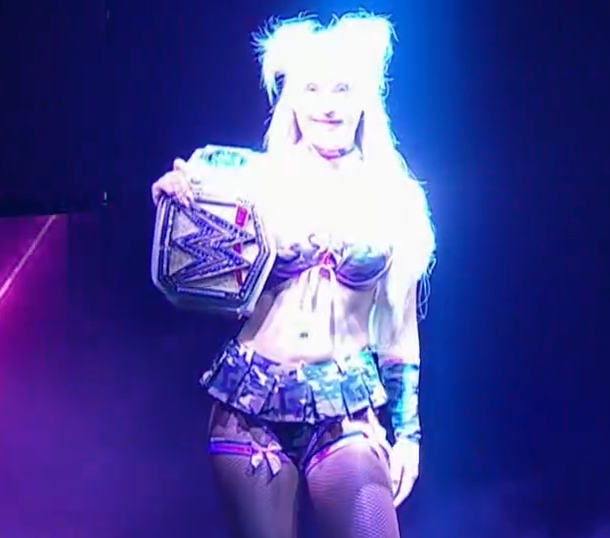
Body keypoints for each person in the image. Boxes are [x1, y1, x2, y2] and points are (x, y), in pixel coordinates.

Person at [151, 11, 436, 538]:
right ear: (292, 100)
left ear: (365, 99)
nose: (328, 105)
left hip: (345, 409)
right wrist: (175, 195)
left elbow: (399, 331)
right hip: (250, 404)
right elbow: (186, 216)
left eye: (342, 89)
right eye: (312, 88)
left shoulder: (395, 198)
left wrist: (409, 436)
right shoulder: (252, 178)